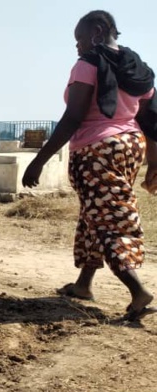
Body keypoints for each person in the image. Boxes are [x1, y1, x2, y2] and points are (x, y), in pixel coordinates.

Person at [23, 10, 156, 321]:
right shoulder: (137, 67)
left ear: (97, 31)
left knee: (110, 220)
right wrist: (153, 162)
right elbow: (150, 118)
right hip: (130, 146)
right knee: (93, 213)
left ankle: (138, 292)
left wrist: (38, 162)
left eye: (79, 38)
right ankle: (83, 285)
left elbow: (73, 116)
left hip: (97, 150)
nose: (78, 46)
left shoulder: (88, 64)